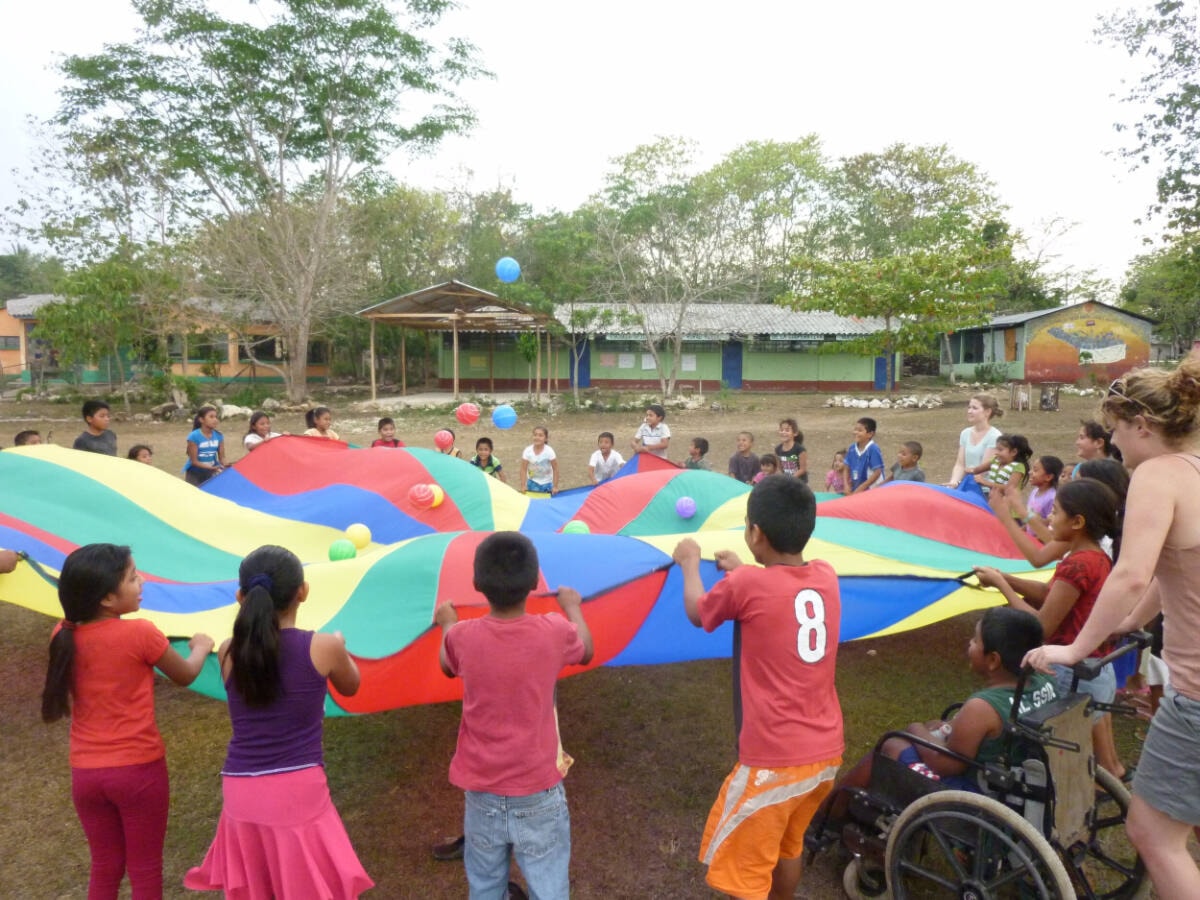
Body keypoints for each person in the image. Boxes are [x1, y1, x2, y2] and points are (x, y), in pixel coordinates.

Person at [1025, 358, 1200, 897]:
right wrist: (1128, 623)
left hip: (1196, 693)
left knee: (1151, 831)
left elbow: (1130, 572)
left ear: (1142, 425)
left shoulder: (1157, 474)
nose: (1117, 446)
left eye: (1118, 433)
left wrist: (1075, 649)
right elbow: (1174, 568)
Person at [672, 477, 842, 900]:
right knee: (788, 844)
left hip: (775, 758)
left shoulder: (746, 585)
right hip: (824, 753)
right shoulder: (825, 575)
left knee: (746, 873)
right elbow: (779, 589)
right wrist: (744, 570)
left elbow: (699, 612)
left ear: (754, 533)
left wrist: (689, 563)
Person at [184, 545, 372, 898]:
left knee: (262, 884)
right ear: (303, 591)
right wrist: (340, 648)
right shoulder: (323, 646)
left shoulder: (228, 650)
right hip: (295, 790)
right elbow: (351, 686)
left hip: (241, 788)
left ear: (241, 596)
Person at [41, 543, 214, 899]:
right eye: (133, 577)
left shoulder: (62, 634)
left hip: (86, 774)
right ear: (106, 598)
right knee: (145, 867)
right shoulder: (140, 633)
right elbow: (184, 675)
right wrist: (199, 646)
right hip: (138, 770)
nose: (142, 582)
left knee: (105, 865)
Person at [434, 532, 594, 900]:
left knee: (486, 884)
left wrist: (446, 622)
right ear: (536, 581)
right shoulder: (553, 631)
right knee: (549, 885)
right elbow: (585, 650)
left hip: (482, 791)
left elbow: (446, 663)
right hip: (538, 790)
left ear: (477, 584)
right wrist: (573, 607)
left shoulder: (462, 636)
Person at [812, 608, 1058, 829]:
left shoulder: (983, 707)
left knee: (892, 745)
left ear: (993, 660)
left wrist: (916, 729)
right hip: (1021, 785)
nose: (969, 644)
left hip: (978, 794)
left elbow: (946, 764)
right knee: (929, 733)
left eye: (975, 640)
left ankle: (828, 816)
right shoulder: (1045, 683)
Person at [974, 478, 1127, 779]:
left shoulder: (1077, 565)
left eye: (1055, 513)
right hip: (1096, 667)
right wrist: (1007, 577)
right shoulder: (1095, 556)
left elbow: (1039, 627)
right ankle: (1109, 783)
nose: (1048, 519)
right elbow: (1051, 594)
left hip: (1070, 673)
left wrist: (1003, 586)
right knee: (1100, 755)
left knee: (1061, 759)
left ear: (1078, 522)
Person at [946, 394, 1002, 488]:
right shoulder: (965, 433)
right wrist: (953, 483)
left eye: (974, 408)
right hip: (967, 485)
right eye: (969, 407)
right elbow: (960, 464)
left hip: (984, 490)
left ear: (987, 412)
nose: (969, 411)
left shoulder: (995, 436)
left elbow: (983, 470)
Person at [184, 405, 226, 486]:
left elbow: (222, 458)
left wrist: (224, 465)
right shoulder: (194, 436)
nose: (215, 420)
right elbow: (194, 462)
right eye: (211, 417)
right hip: (195, 473)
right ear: (201, 420)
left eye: (216, 417)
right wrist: (212, 468)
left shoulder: (219, 436)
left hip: (211, 471)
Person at [843, 417, 884, 494]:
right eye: (855, 429)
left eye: (860, 430)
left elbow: (877, 472)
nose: (856, 432)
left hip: (872, 491)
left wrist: (861, 488)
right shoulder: (852, 448)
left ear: (870, 434)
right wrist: (846, 485)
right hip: (856, 490)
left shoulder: (873, 449)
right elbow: (846, 468)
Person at [519, 426, 559, 495]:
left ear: (546, 438)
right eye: (535, 435)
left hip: (547, 483)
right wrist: (523, 485)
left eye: (540, 435)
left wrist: (555, 486)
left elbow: (556, 469)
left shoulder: (549, 451)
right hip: (532, 482)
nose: (537, 437)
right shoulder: (527, 451)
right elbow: (523, 469)